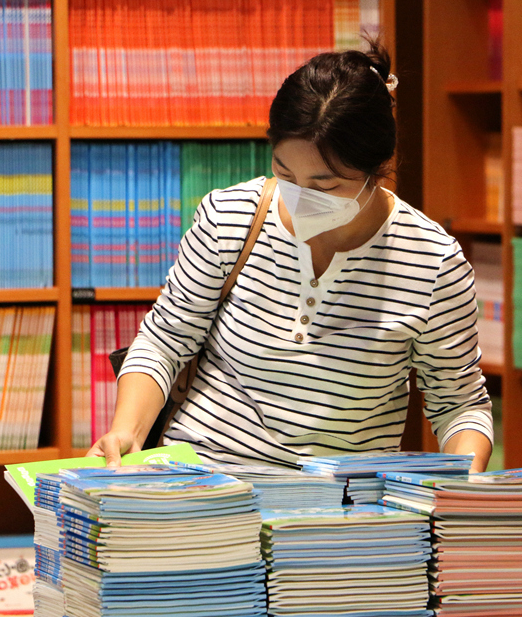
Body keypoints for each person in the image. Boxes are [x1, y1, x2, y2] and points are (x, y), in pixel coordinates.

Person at [88, 41, 494, 472]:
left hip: (339, 501)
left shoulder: (432, 261)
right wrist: (127, 431)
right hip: (203, 481)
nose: (300, 198)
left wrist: (465, 481)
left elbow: (460, 405)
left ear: (377, 167)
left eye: (325, 185)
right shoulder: (230, 217)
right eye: (285, 173)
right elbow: (164, 343)